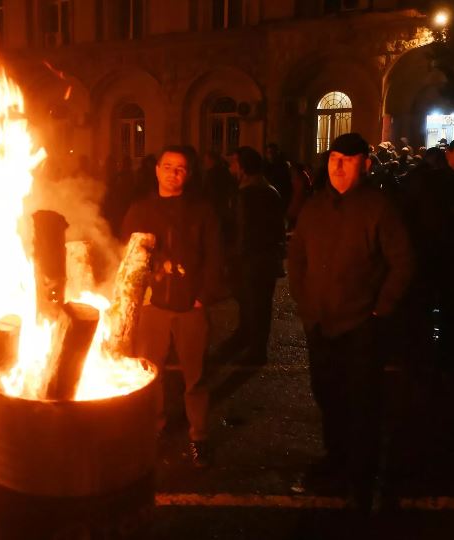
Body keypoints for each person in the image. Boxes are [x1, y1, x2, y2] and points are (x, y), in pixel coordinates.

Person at [288, 133, 414, 509]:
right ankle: (336, 461)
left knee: (362, 405)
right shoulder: (315, 207)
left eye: (347, 160)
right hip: (320, 325)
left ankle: (361, 479)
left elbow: (403, 262)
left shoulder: (379, 208)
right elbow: (296, 258)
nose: (338, 167)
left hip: (361, 328)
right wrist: (306, 302)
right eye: (333, 159)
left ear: (365, 164)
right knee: (328, 397)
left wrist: (381, 309)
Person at [121, 145, 223, 468]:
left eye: (179, 168)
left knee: (196, 376)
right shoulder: (140, 209)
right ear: (157, 170)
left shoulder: (202, 210)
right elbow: (130, 256)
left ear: (188, 174)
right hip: (154, 306)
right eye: (167, 167)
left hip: (190, 306)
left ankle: (199, 436)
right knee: (151, 373)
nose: (172, 173)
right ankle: (154, 429)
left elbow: (215, 256)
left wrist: (202, 297)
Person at [218, 146, 285, 365]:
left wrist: (231, 259)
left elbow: (240, 229)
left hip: (251, 259)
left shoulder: (246, 194)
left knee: (256, 304)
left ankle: (256, 350)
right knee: (254, 304)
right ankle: (247, 338)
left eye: (234, 163)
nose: (231, 168)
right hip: (262, 258)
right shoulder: (270, 191)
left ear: (243, 167)